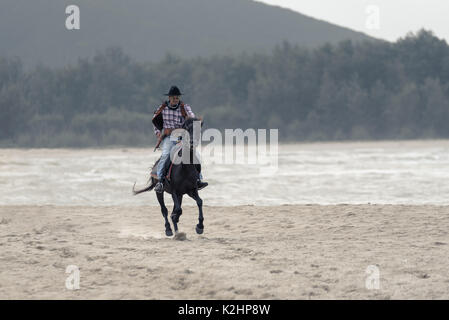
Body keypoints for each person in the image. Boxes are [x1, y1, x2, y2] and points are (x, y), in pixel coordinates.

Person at [152, 86, 208, 193]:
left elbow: (192, 117)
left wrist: (195, 122)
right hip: (169, 137)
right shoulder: (162, 108)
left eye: (177, 98)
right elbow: (155, 121)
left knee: (195, 155)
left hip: (182, 136)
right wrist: (158, 134)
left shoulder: (185, 107)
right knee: (166, 154)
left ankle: (199, 179)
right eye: (173, 98)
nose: (175, 99)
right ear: (169, 98)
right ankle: (160, 181)